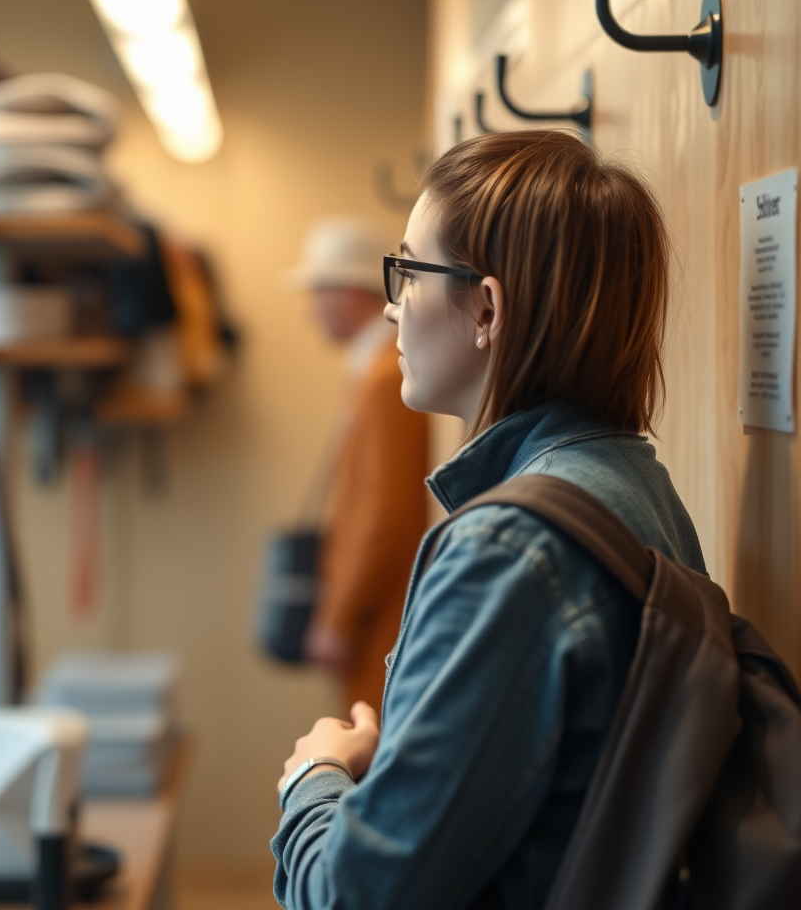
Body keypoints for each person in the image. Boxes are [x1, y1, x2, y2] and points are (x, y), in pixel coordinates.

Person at [271, 132, 706, 909]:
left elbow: (359, 896)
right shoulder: (640, 485)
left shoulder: (509, 549)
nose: (391, 303)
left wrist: (317, 775)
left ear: (487, 308)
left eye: (408, 271)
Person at [288, 218, 429, 714]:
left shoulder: (385, 379)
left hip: (377, 620)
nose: (310, 313)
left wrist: (339, 617)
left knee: (368, 748)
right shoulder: (379, 371)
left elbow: (385, 516)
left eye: (316, 294)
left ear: (350, 292)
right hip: (377, 614)